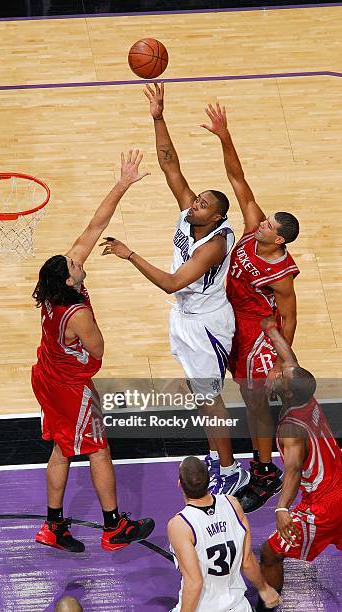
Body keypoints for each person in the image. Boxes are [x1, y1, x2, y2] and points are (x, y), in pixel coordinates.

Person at [100, 82, 249, 496]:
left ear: (218, 217)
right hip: (186, 316)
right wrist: (158, 116)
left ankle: (230, 468)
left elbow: (169, 283)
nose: (195, 202)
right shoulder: (191, 215)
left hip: (205, 323)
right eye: (197, 199)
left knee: (210, 400)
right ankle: (219, 457)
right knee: (203, 397)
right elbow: (170, 166)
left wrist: (130, 254)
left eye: (203, 203)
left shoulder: (214, 245)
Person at [31, 149, 155, 553]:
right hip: (70, 387)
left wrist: (122, 183)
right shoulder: (77, 311)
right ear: (69, 281)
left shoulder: (55, 287)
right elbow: (98, 350)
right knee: (98, 448)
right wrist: (86, 363)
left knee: (62, 448)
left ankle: (52, 526)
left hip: (46, 376)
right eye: (74, 265)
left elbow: (94, 224)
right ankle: (112, 527)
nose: (78, 260)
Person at [202, 102, 300, 512]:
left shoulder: (280, 272)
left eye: (268, 227)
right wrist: (225, 136)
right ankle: (263, 463)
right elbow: (237, 179)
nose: (260, 224)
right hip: (233, 322)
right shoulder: (252, 227)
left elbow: (290, 316)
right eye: (263, 222)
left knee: (255, 399)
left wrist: (282, 362)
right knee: (246, 395)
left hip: (259, 335)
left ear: (279, 240)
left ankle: (265, 470)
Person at [255, 316, 342, 611]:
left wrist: (282, 508)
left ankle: (268, 607)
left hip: (325, 504)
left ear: (287, 393)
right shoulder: (305, 394)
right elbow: (290, 359)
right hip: (338, 483)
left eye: (279, 375)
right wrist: (270, 329)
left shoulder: (292, 428)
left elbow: (292, 471)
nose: (276, 370)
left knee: (269, 552)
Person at [168, 456, 281, 611]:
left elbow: (195, 583)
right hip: (238, 607)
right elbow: (247, 562)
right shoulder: (233, 504)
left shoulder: (180, 525)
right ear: (209, 481)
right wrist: (264, 589)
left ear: (180, 484)